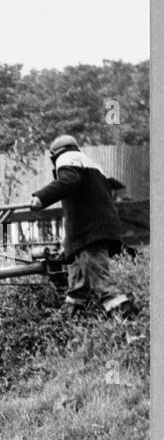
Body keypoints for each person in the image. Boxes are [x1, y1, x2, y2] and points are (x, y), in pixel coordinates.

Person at [30, 134, 137, 319]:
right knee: (77, 283)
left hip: (90, 232)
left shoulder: (67, 157)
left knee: (100, 280)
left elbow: (68, 180)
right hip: (95, 229)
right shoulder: (91, 164)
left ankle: (129, 321)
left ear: (54, 155)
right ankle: (69, 319)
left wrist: (41, 197)